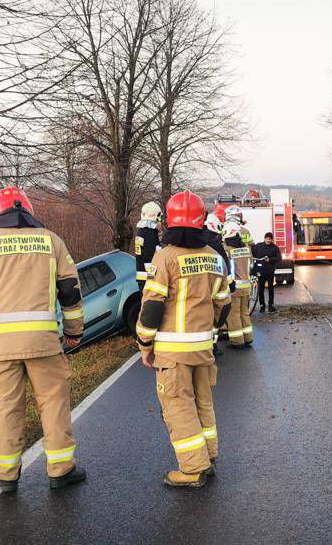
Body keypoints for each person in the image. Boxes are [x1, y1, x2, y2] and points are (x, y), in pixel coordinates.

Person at [0, 187, 86, 493]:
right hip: (44, 344)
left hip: (1, 348)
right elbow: (70, 292)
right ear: (28, 211)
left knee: (6, 410)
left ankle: (7, 477)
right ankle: (60, 470)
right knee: (53, 406)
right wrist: (74, 332)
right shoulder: (52, 241)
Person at [135, 190, 231, 488]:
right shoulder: (214, 257)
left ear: (169, 220)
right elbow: (224, 303)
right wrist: (210, 330)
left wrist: (145, 345)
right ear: (201, 220)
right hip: (203, 347)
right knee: (203, 401)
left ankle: (192, 469)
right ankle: (208, 456)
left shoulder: (165, 258)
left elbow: (151, 307)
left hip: (173, 352)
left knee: (178, 405)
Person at [203, 213, 231, 357]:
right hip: (216, 285)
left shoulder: (201, 239)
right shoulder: (214, 242)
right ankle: (212, 345)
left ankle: (209, 345)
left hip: (201, 284)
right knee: (215, 315)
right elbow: (225, 264)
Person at [222, 221, 254, 348]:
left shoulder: (227, 249)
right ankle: (248, 337)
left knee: (233, 314)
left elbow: (226, 268)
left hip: (234, 287)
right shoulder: (246, 247)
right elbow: (250, 264)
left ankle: (237, 341)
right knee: (244, 312)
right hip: (247, 286)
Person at [134, 201, 162, 290]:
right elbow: (150, 257)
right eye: (160, 218)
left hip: (143, 276)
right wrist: (156, 276)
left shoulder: (141, 231)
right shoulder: (149, 233)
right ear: (155, 216)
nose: (160, 221)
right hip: (149, 277)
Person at [252, 232, 281, 312]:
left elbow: (279, 258)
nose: (268, 240)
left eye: (270, 239)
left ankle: (271, 305)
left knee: (270, 288)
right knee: (260, 289)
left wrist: (270, 259)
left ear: (272, 240)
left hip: (270, 271)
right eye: (267, 238)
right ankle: (262, 305)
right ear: (264, 238)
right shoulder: (258, 246)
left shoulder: (275, 248)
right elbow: (252, 252)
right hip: (260, 271)